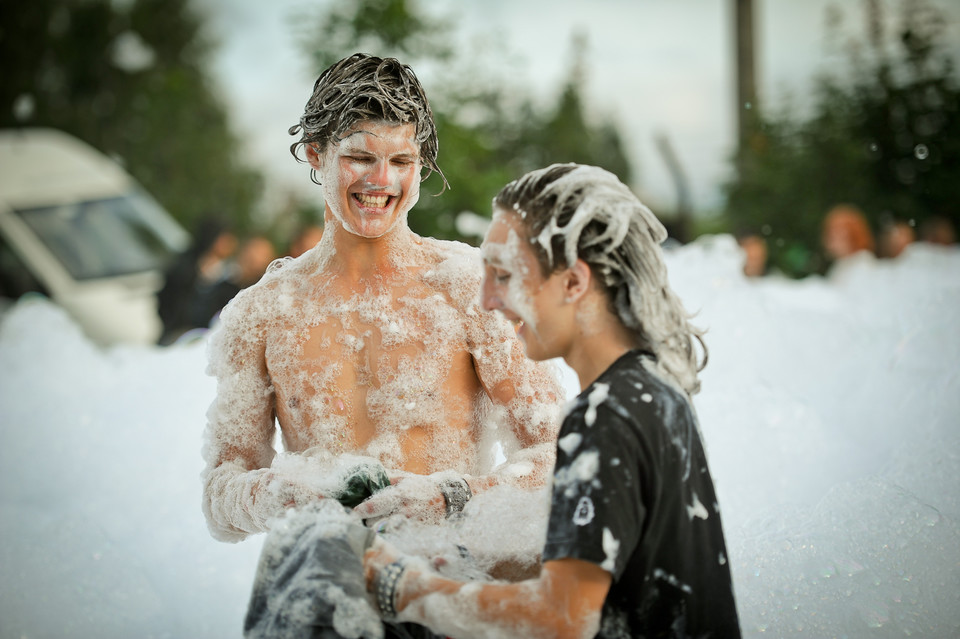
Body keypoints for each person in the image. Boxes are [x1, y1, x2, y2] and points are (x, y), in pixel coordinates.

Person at [364, 164, 742, 638]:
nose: (486, 300)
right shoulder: (654, 391)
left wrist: (404, 590)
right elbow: (619, 584)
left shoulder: (604, 418)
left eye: (502, 275)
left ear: (573, 282)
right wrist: (462, 558)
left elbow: (562, 619)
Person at [201, 53, 561, 549]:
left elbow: (559, 455)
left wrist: (454, 497)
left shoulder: (469, 288)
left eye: (401, 162)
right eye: (361, 158)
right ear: (315, 153)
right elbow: (222, 493)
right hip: (319, 591)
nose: (381, 181)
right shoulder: (263, 312)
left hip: (442, 585)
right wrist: (279, 495)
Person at [156, 216, 237, 345]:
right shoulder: (186, 265)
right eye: (225, 238)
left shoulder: (230, 271)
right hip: (176, 333)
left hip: (204, 337)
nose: (230, 243)